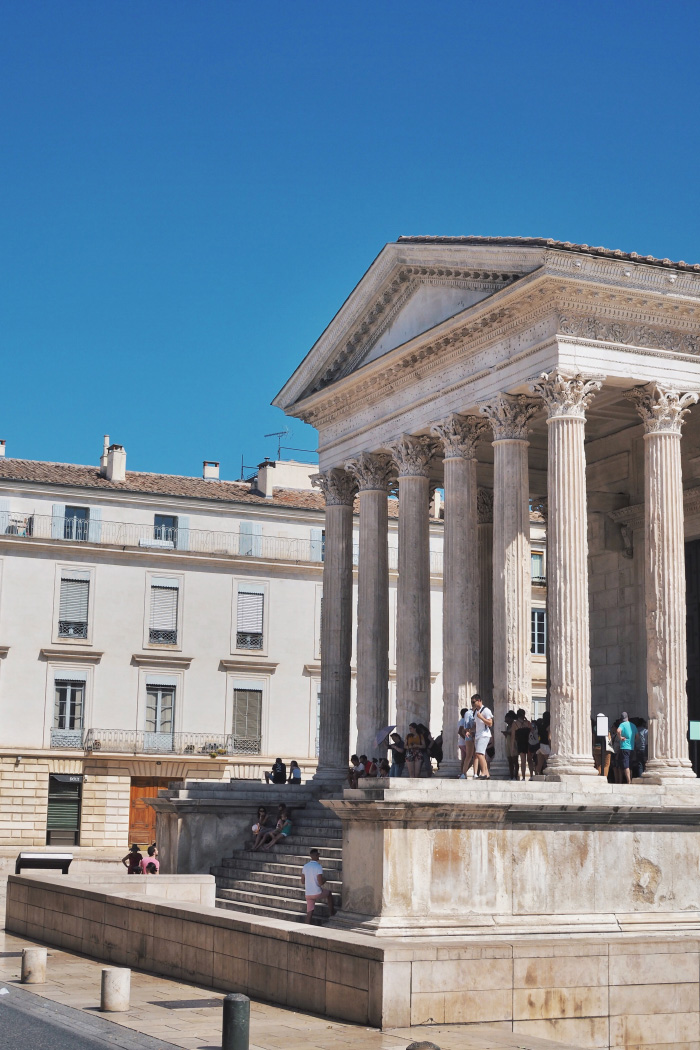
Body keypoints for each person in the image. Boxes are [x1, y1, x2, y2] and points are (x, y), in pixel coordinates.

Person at [301, 848, 335, 924]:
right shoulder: (318, 866)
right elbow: (320, 883)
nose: (319, 856)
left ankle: (306, 926)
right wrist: (325, 880)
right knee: (329, 894)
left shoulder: (305, 866)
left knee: (309, 913)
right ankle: (332, 914)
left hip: (308, 894)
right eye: (318, 855)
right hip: (317, 893)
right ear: (316, 855)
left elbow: (302, 881)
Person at [471, 695, 493, 779]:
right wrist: (470, 731)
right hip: (478, 735)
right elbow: (476, 724)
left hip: (484, 734)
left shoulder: (486, 710)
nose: (472, 704)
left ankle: (484, 772)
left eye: (473, 702)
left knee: (479, 753)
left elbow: (490, 723)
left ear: (479, 701)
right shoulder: (475, 711)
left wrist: (481, 717)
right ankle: (486, 773)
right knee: (481, 755)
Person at [616, 711, 638, 784]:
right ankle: (630, 779)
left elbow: (618, 731)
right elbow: (637, 737)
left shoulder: (622, 724)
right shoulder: (633, 725)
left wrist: (620, 737)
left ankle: (629, 781)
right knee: (630, 764)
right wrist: (633, 740)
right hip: (631, 747)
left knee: (626, 765)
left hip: (624, 747)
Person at [513, 709, 532, 781]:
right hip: (528, 742)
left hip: (521, 743)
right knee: (530, 760)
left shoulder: (515, 724)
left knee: (523, 761)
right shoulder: (528, 723)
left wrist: (512, 746)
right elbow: (532, 731)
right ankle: (531, 776)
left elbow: (513, 737)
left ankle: (523, 777)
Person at [503, 711, 519, 780]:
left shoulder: (515, 724)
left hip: (514, 743)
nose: (506, 721)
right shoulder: (507, 726)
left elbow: (517, 735)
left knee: (515, 760)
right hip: (508, 743)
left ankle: (516, 776)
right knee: (510, 760)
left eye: (507, 720)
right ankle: (511, 775)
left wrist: (509, 733)